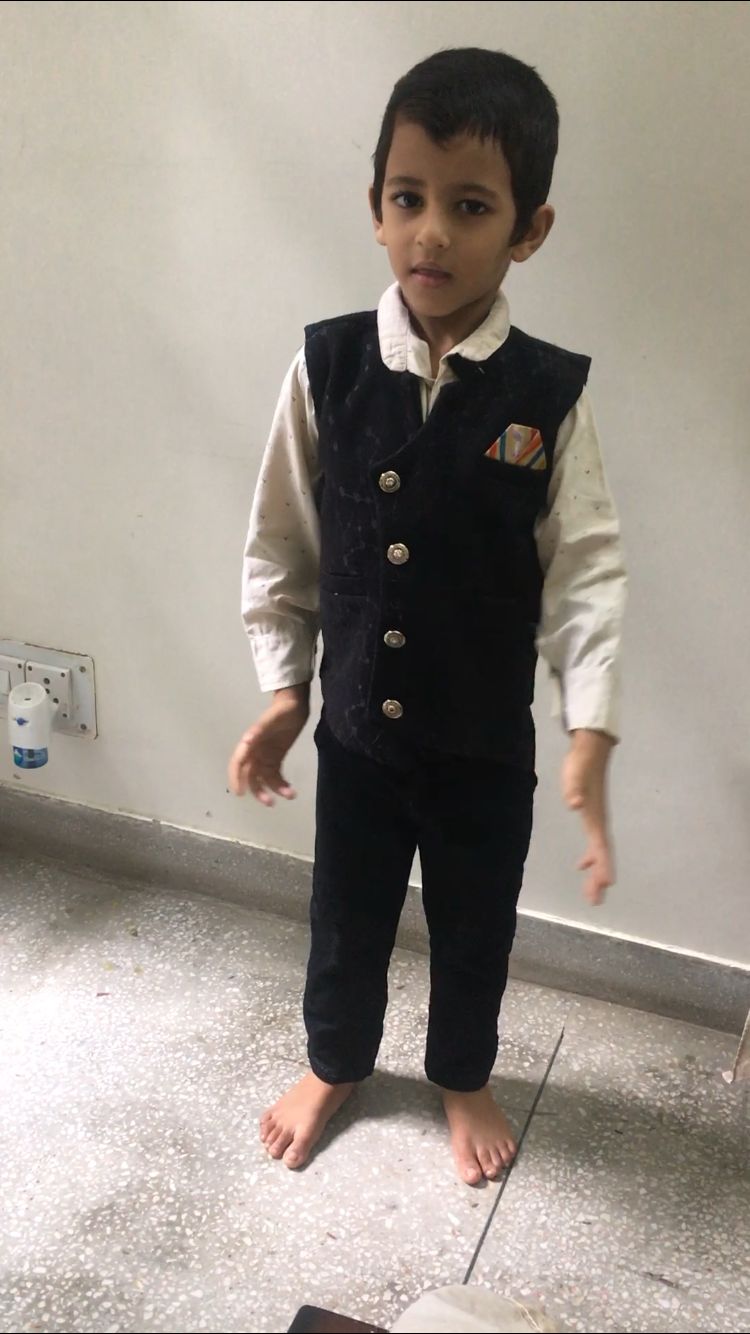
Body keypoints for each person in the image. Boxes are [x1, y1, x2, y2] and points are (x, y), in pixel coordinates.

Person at [229, 47, 626, 1185]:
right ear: (375, 207)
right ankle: (335, 1061)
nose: (432, 234)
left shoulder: (550, 396)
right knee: (345, 914)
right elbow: (281, 543)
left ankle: (463, 1073)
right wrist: (284, 689)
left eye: (471, 207)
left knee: (475, 923)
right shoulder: (328, 367)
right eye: (408, 199)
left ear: (529, 229)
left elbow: (587, 572)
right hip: (358, 737)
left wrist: (589, 726)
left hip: (482, 749)